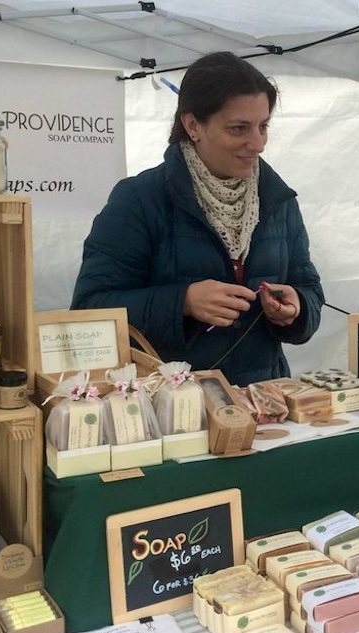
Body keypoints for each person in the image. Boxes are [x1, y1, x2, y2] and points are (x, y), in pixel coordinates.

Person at [72, 52, 324, 386]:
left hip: (263, 403)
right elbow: (90, 310)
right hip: (171, 409)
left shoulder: (278, 200)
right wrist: (183, 301)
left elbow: (309, 290)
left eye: (263, 126)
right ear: (193, 126)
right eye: (239, 129)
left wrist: (297, 308)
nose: (258, 143)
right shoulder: (139, 199)